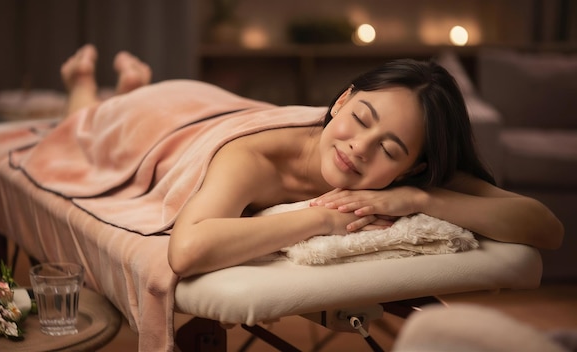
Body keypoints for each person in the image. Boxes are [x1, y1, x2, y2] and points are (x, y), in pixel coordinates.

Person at [60, 44, 563, 278]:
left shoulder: (411, 174)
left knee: (108, 118)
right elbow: (187, 249)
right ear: (342, 100)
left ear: (410, 165)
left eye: (389, 149)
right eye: (361, 118)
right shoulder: (253, 158)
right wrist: (323, 218)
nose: (359, 149)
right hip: (173, 122)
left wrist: (420, 197)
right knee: (86, 134)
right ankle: (86, 84)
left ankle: (125, 84)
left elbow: (545, 228)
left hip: (210, 109)